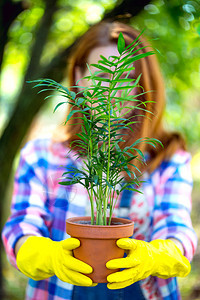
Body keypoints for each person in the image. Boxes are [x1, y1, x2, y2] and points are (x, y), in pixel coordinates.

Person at [2, 21, 197, 300]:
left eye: (125, 77)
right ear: (79, 77)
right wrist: (45, 254)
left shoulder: (166, 159)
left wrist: (156, 256)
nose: (111, 89)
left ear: (144, 86)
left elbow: (178, 230)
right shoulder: (41, 156)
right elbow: (21, 226)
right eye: (102, 75)